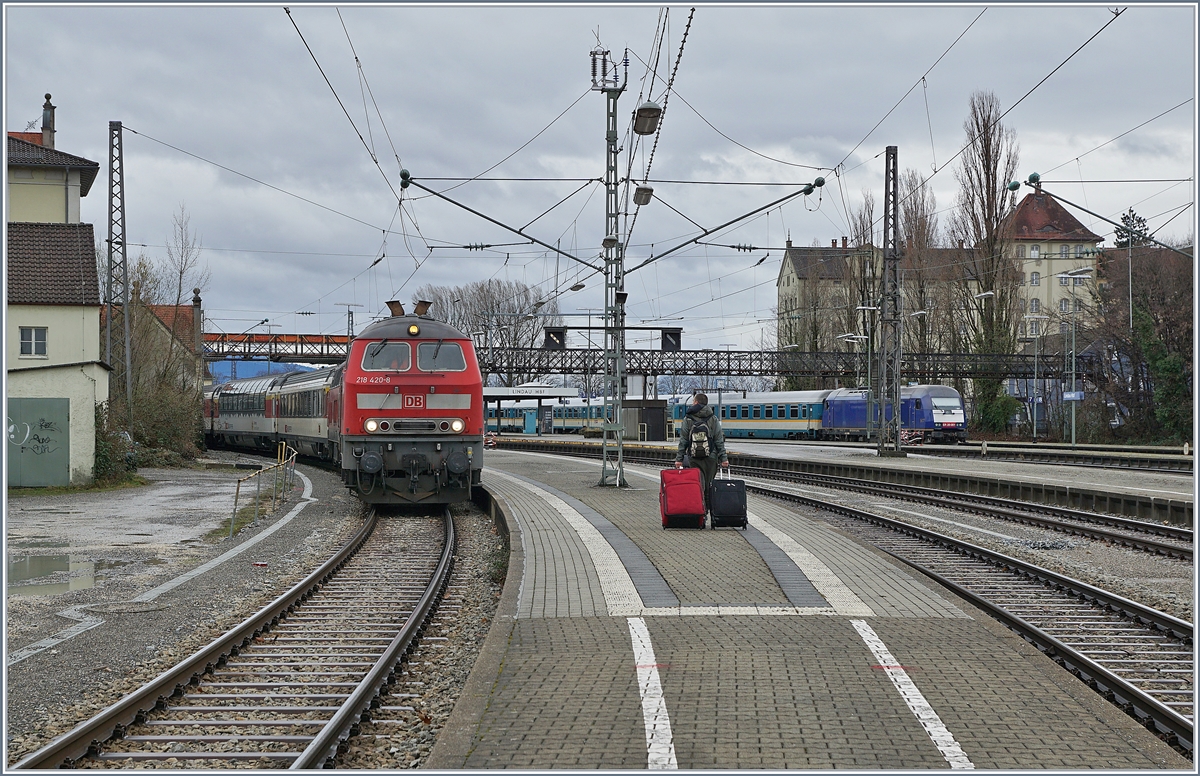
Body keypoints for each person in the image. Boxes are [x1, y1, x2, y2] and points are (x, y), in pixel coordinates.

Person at [674, 393, 729, 513]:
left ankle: (700, 512)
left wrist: (679, 459)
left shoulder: (688, 419)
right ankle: (710, 512)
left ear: (696, 403)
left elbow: (683, 440)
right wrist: (723, 458)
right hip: (711, 457)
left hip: (694, 458)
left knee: (698, 485)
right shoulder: (713, 418)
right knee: (709, 486)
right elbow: (718, 440)